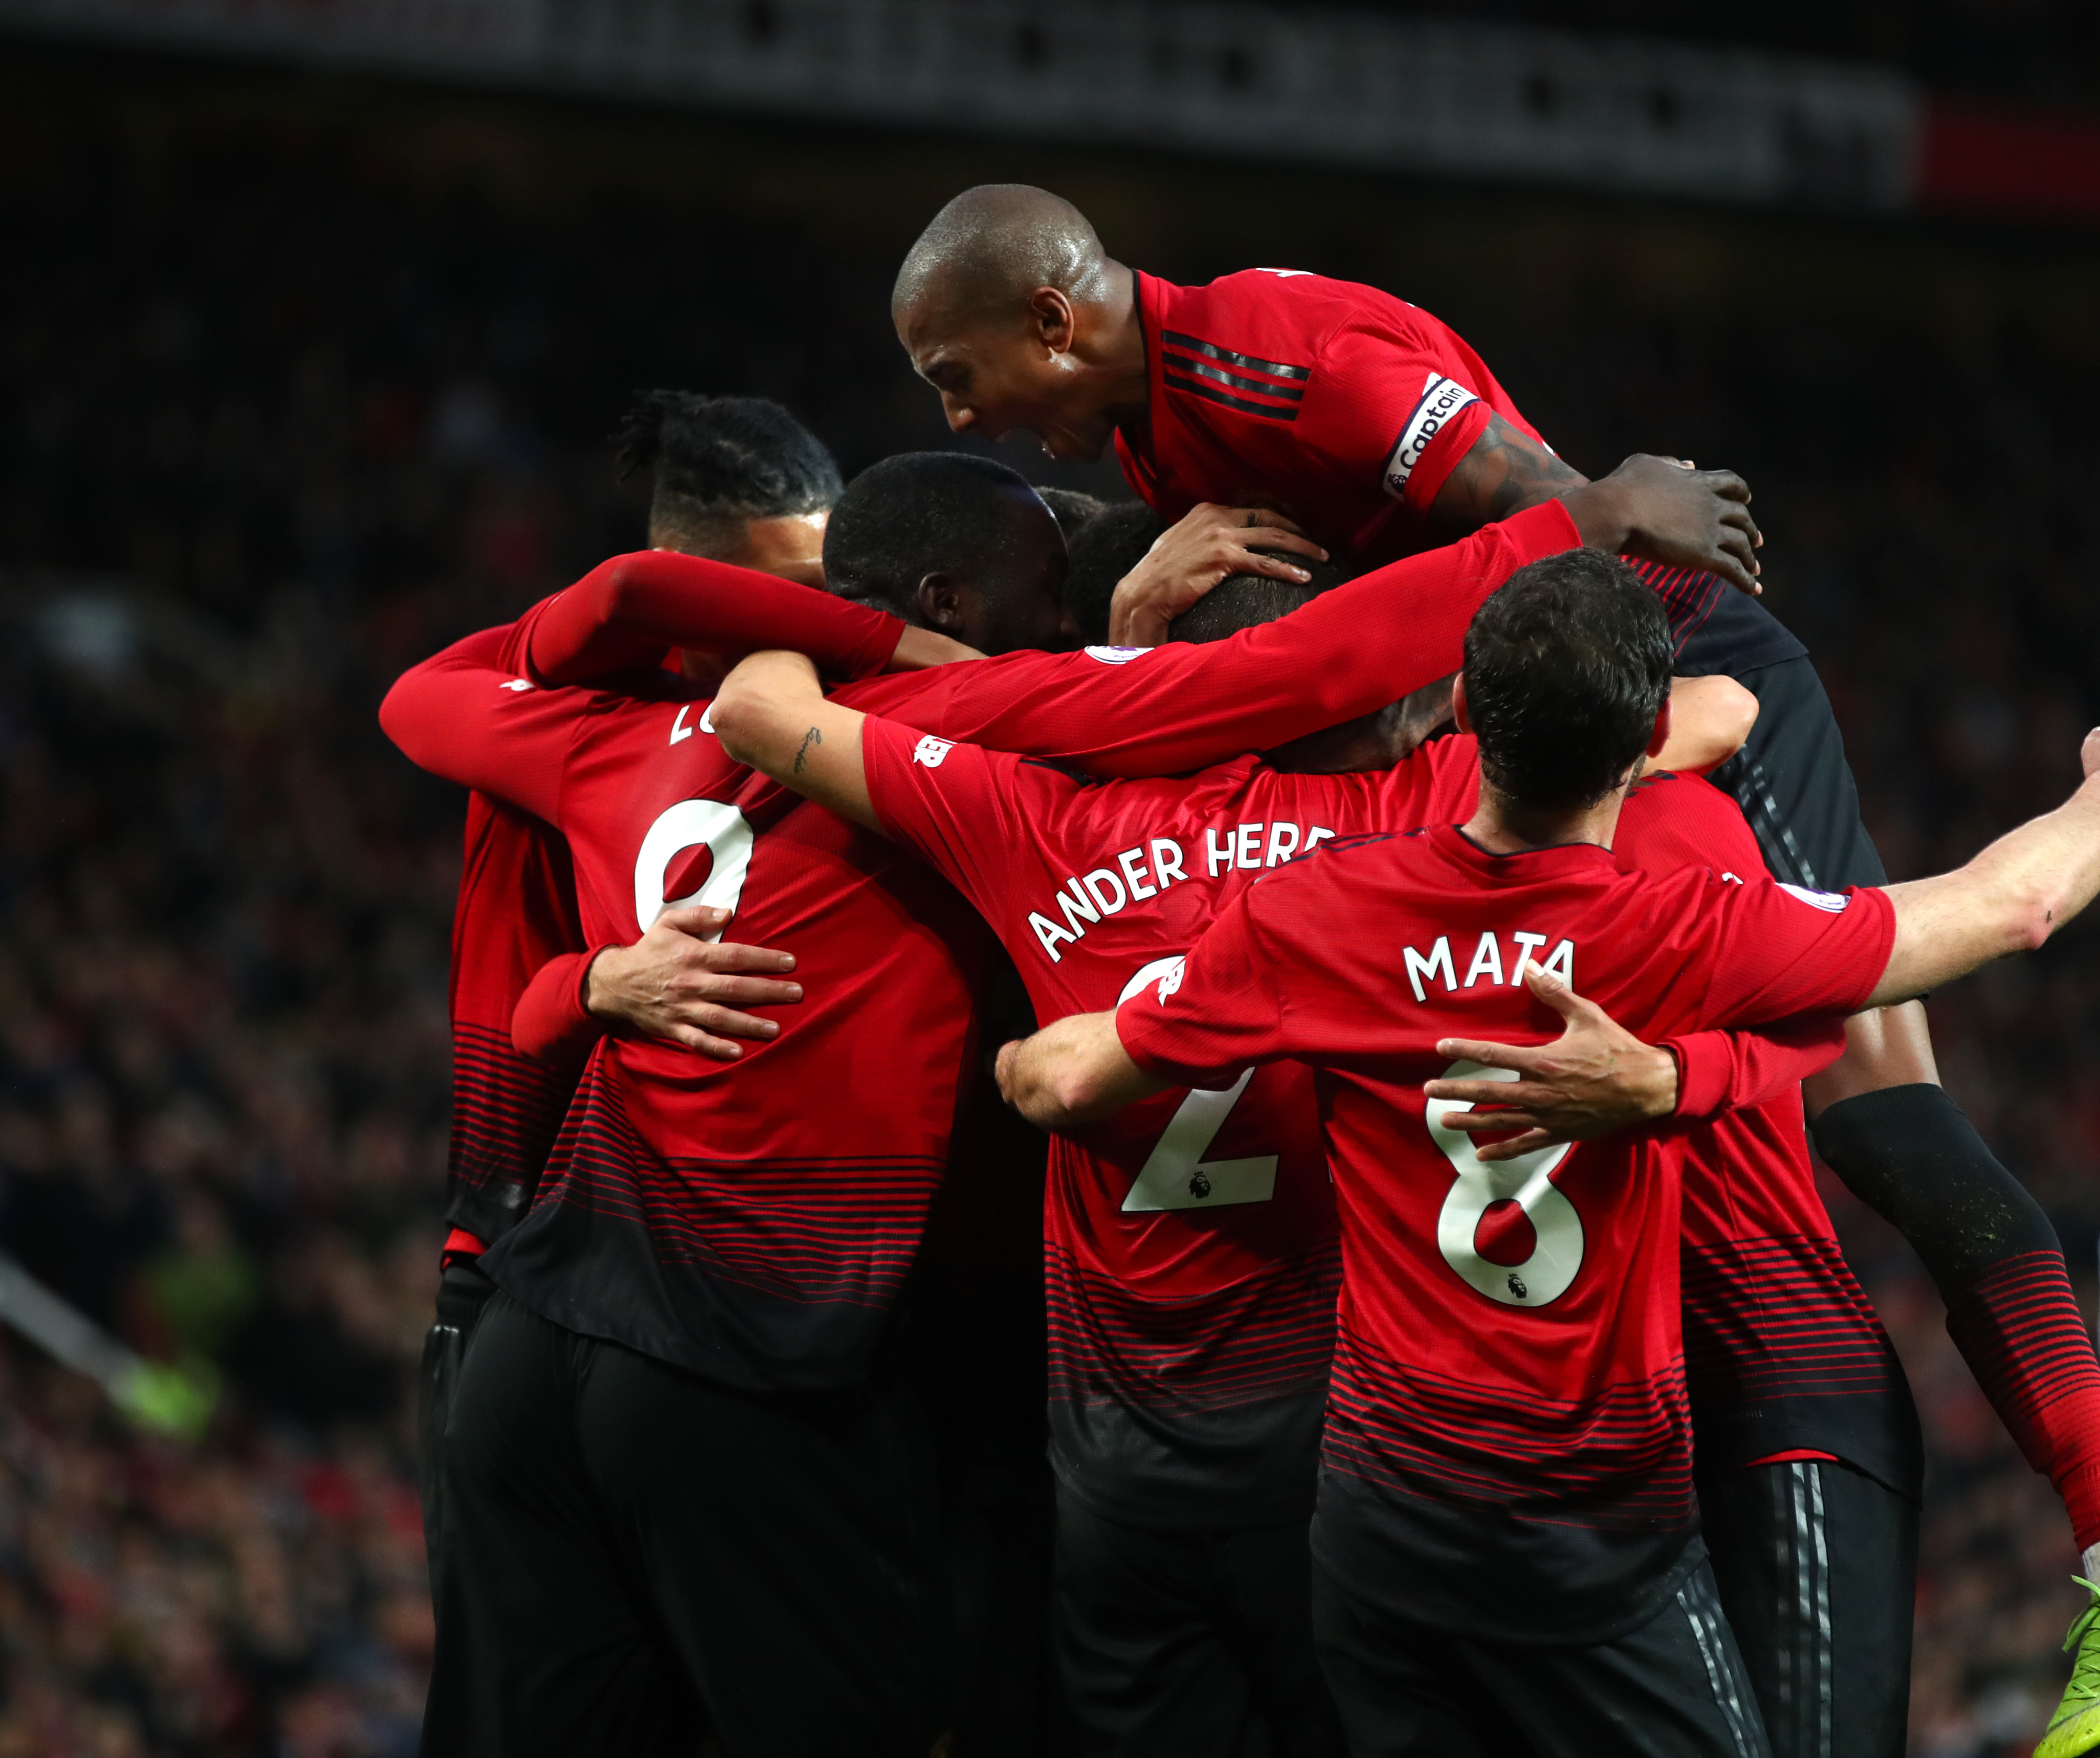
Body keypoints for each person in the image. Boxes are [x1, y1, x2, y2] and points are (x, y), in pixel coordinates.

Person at [891, 192, 2100, 1758]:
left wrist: (1521, 685)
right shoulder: (1153, 439)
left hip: (1666, 687)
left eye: (954, 375)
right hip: (1530, 740)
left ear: (1051, 320)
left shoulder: (1272, 362)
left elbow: (1598, 537)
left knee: (1882, 1109)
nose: (958, 414)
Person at [385, 451, 1745, 1755]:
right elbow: (1355, 674)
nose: (1057, 635)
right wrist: (1578, 515)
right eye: (1045, 608)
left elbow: (553, 669)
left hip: (558, 1324)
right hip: (829, 1382)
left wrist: (583, 980)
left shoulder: (684, 747)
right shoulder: (1319, 817)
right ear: (946, 612)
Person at [702, 561, 1766, 1757]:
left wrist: (1073, 678)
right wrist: (1418, 709)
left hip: (1118, 1476)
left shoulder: (1031, 816)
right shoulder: (1394, 821)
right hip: (1326, 1474)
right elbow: (1720, 709)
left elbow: (752, 703)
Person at [414, 390, 864, 1618]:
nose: (822, 620)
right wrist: (597, 983)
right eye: (783, 590)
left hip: (695, 1300)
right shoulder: (558, 713)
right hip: (516, 1262)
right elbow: (519, 1013)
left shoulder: (816, 726)